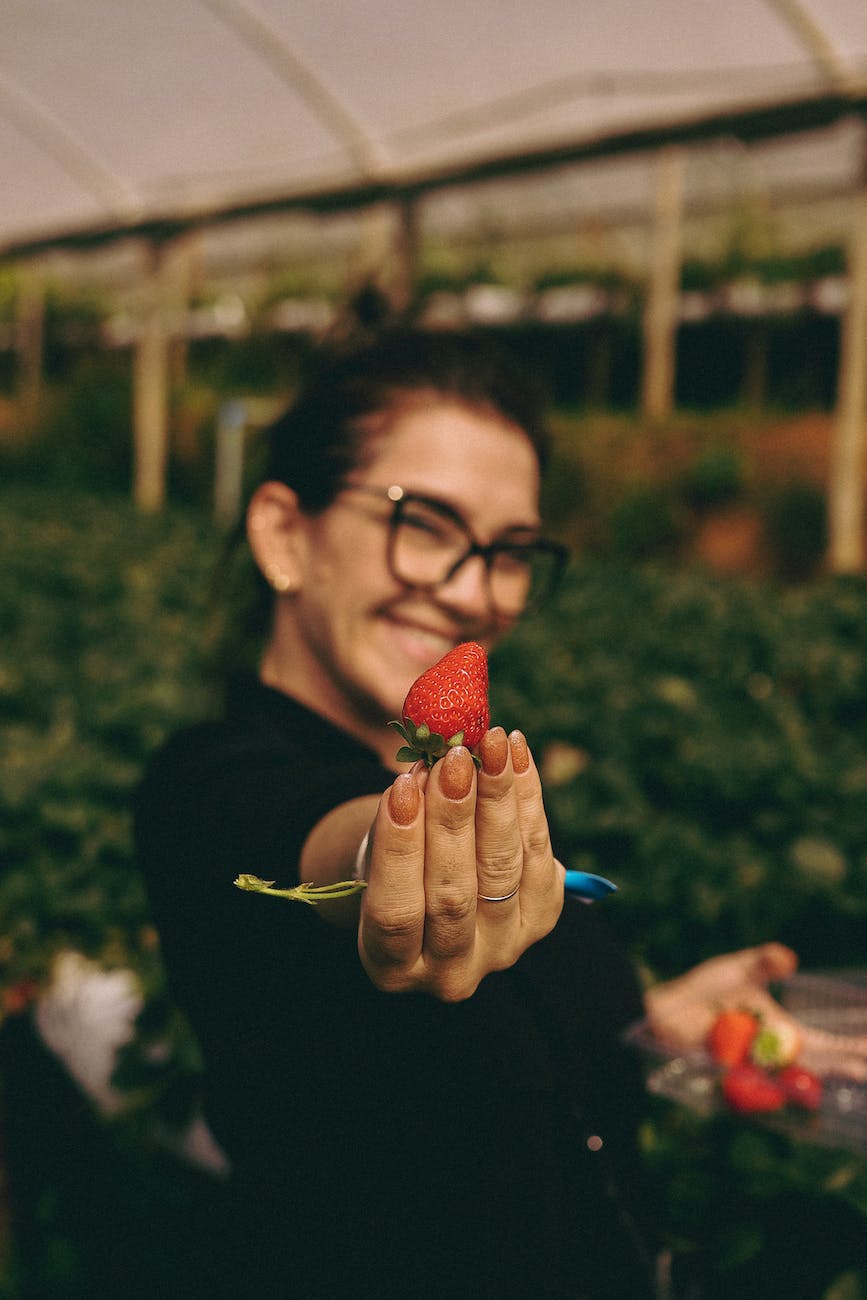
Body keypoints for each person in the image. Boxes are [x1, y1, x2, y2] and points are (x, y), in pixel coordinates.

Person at [135, 327, 804, 1299]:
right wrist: (383, 850)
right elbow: (332, 841)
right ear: (287, 534)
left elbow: (505, 1052)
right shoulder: (210, 782)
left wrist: (659, 1025)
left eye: (511, 550)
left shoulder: (484, 796)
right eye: (425, 522)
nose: (472, 591)